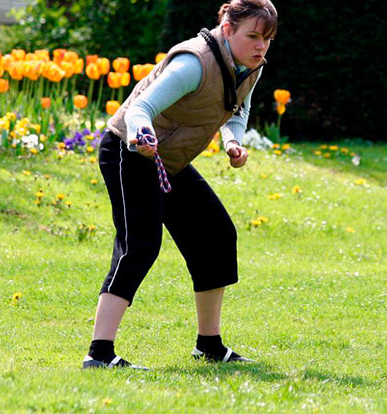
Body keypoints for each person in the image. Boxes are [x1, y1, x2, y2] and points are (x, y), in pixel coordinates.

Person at [83, 0, 278, 369]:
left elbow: (238, 109)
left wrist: (233, 141)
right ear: (227, 29)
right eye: (252, 36)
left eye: (266, 39)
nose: (260, 46)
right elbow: (141, 107)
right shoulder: (193, 64)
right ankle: (98, 354)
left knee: (216, 234)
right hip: (129, 150)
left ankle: (209, 345)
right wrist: (142, 132)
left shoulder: (250, 67)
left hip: (167, 160)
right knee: (139, 245)